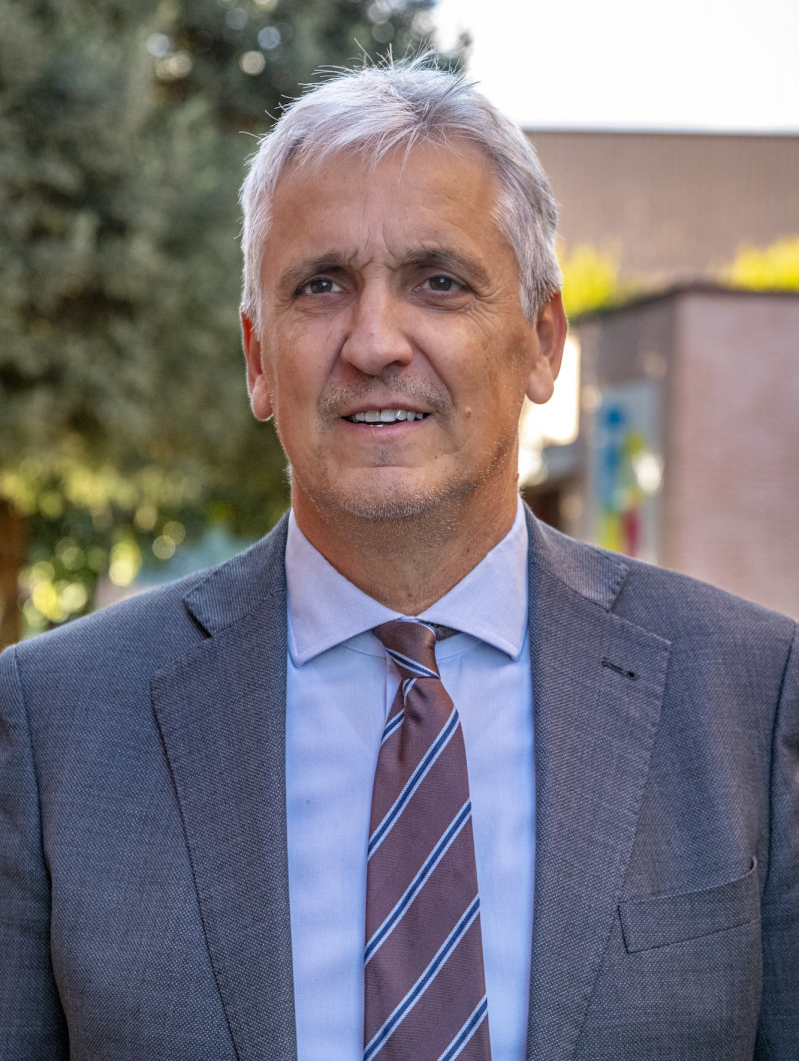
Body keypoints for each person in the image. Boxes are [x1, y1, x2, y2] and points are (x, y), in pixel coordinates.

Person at [0, 59, 796, 1061]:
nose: (374, 342)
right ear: (257, 357)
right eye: (321, 285)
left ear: (541, 341)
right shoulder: (55, 722)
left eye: (439, 282)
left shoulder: (749, 698)